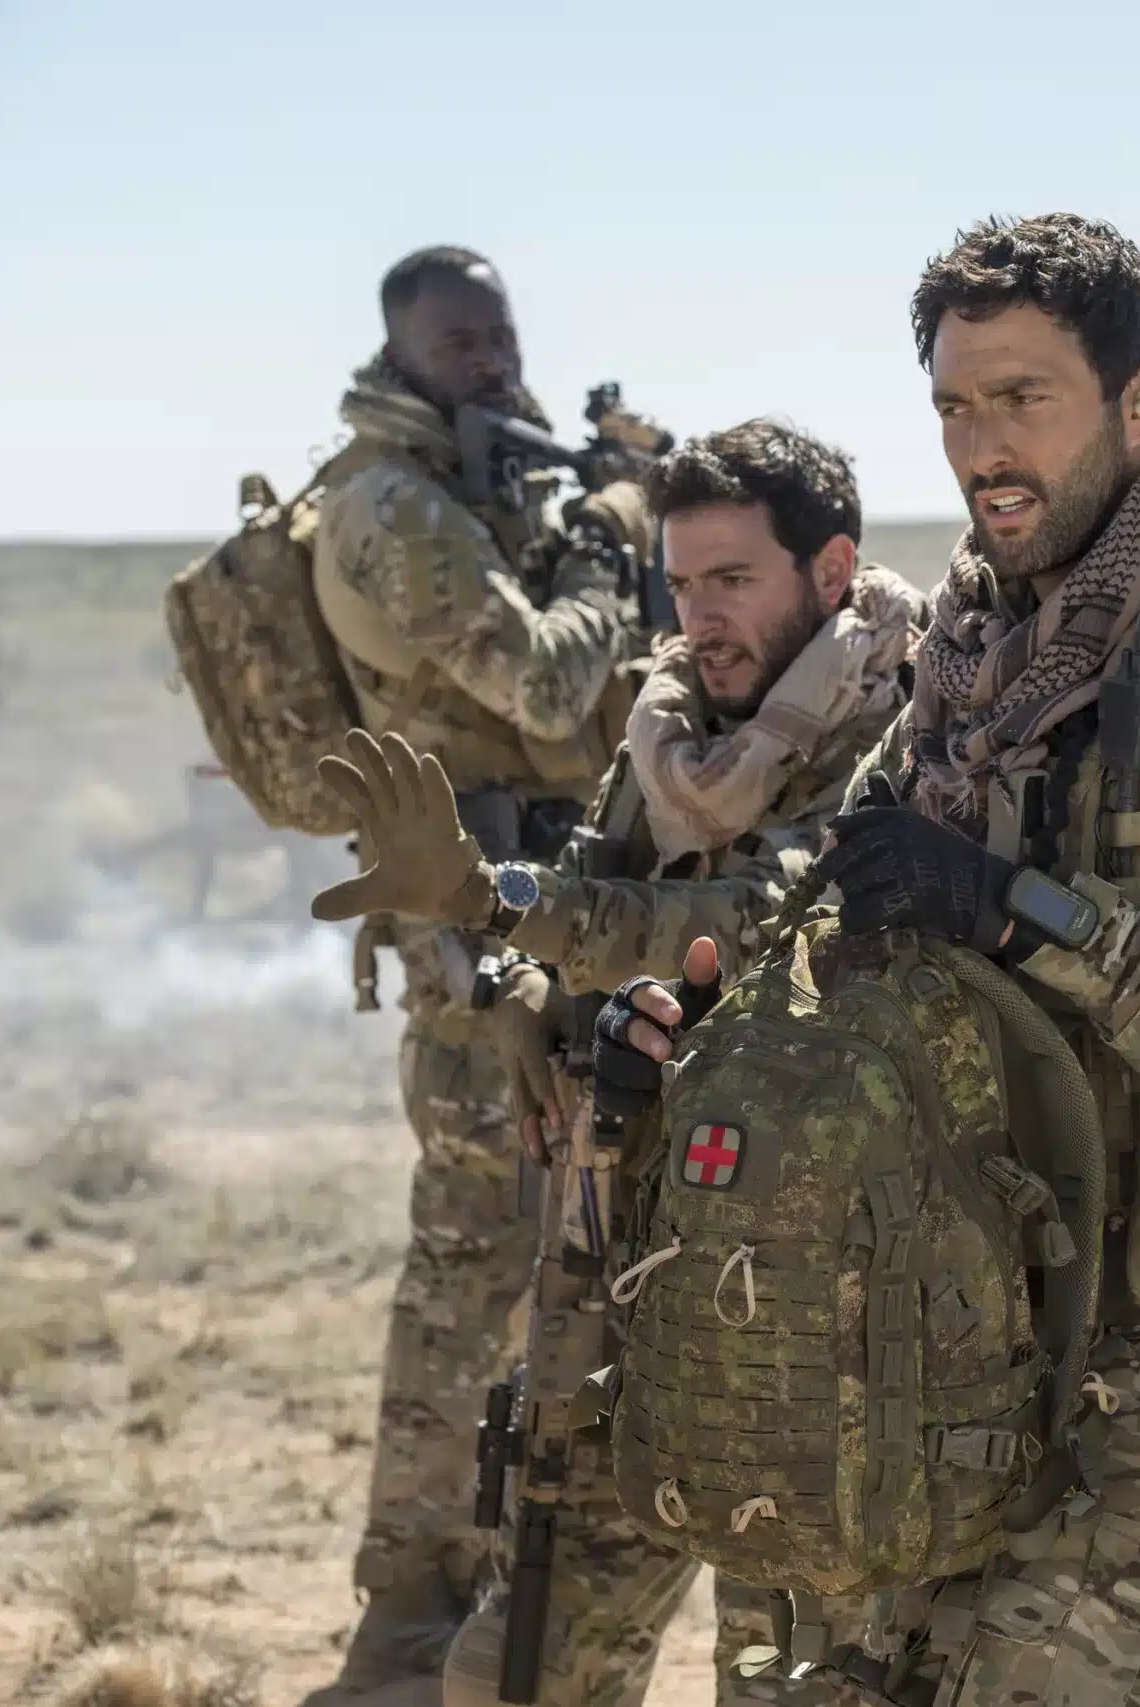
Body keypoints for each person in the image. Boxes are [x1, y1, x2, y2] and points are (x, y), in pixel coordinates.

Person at [602, 212, 1140, 1705]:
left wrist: (1018, 914)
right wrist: (706, 1037)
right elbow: (835, 927)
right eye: (954, 406)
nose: (982, 448)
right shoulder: (969, 655)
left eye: (1022, 399)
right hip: (958, 1296)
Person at [308, 417, 924, 1706]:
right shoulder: (667, 730)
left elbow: (759, 924)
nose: (701, 616)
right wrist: (530, 991)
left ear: (830, 572)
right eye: (683, 582)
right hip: (630, 1251)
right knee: (525, 1658)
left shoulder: (904, 724)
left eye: (735, 579)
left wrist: (496, 901)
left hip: (816, 1285)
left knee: (787, 1667)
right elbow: (597, 884)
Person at [298, 245, 650, 1707]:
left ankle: (477, 1615)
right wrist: (612, 535)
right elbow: (552, 689)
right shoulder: (393, 507)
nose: (493, 361)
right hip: (470, 945)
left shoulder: (479, 483)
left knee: (539, 1270)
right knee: (471, 1275)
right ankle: (403, 1628)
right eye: (460, 342)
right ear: (401, 351)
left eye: (501, 336)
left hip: (534, 913)